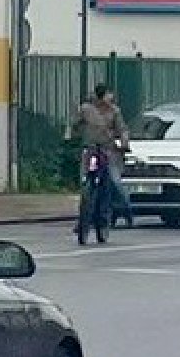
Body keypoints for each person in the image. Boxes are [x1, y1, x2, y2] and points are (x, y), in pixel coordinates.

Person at [69, 84, 131, 243]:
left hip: (107, 151)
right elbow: (75, 125)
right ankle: (83, 221)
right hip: (90, 150)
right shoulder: (86, 109)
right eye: (109, 94)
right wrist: (72, 135)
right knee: (85, 182)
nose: (111, 98)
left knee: (114, 182)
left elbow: (122, 129)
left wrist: (124, 143)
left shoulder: (114, 111)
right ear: (102, 96)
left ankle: (124, 209)